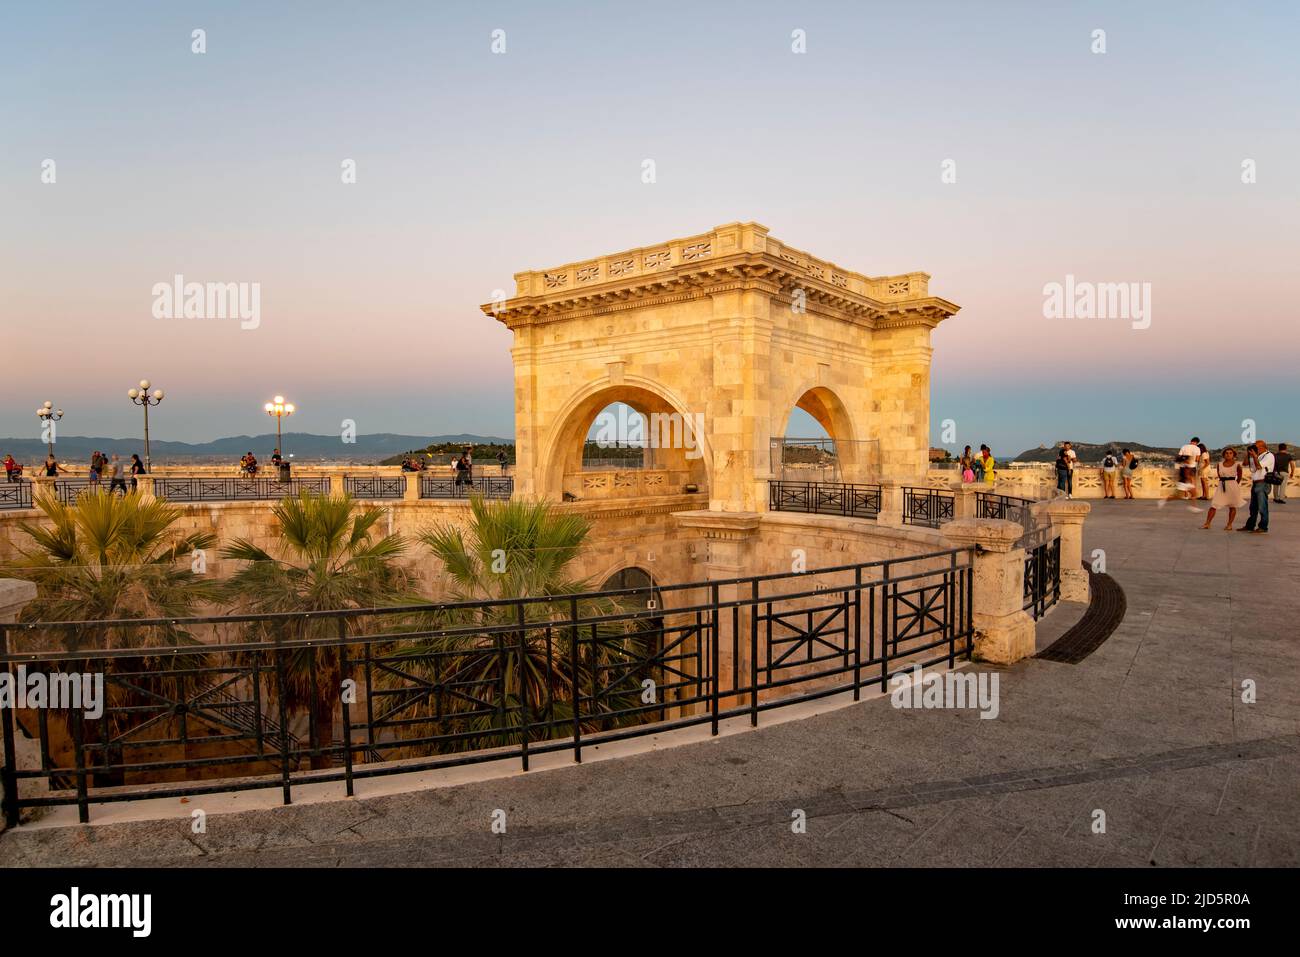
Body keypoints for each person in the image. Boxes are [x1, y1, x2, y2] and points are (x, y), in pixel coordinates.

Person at [1202, 447, 1244, 530]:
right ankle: (1207, 523)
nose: (1228, 455)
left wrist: (1234, 485)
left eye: (1230, 453)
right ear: (1224, 455)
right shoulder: (1219, 464)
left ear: (1233, 455)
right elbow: (1219, 475)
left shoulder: (1237, 465)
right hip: (1222, 486)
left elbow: (1239, 477)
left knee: (1232, 506)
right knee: (1214, 505)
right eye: (1226, 453)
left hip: (1232, 486)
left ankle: (1229, 525)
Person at [1239, 440, 1274, 534]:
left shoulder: (1269, 456)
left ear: (1263, 447)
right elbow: (1245, 463)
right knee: (1253, 507)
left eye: (1256, 447)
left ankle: (1263, 527)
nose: (1255, 449)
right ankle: (1250, 525)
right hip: (1255, 482)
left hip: (1263, 483)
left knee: (1262, 507)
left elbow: (1259, 466)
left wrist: (1254, 456)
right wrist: (1248, 454)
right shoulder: (1256, 455)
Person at [1175, 437, 1201, 501]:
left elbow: (1179, 456)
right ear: (1197, 442)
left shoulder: (1184, 446)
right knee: (1192, 480)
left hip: (1184, 466)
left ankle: (1186, 495)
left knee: (1185, 481)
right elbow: (1197, 459)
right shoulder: (1197, 448)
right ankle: (1193, 496)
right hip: (1192, 466)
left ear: (1191, 441)